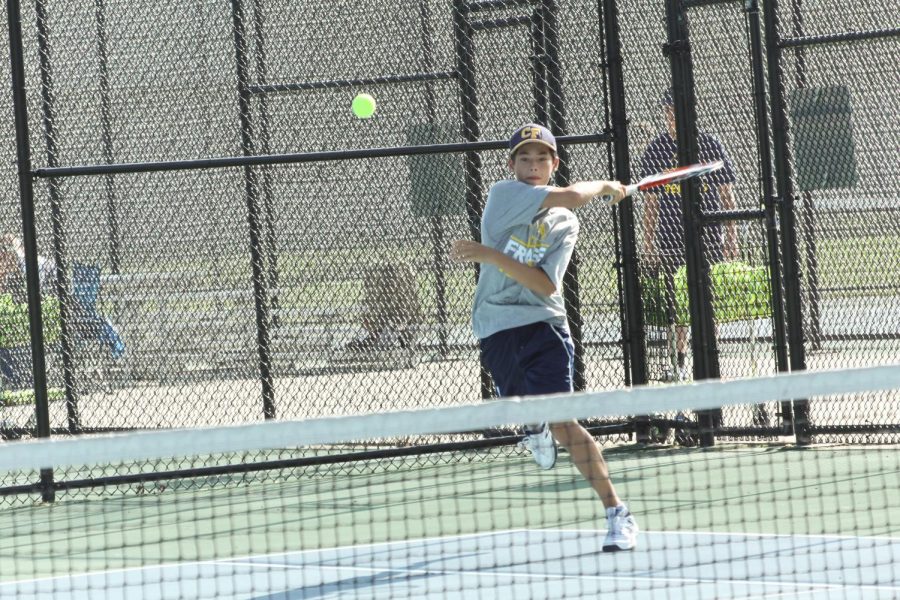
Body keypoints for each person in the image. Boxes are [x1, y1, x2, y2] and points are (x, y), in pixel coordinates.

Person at [450, 123, 638, 552]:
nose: (533, 166)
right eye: (524, 158)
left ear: (554, 164)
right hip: (496, 326)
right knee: (525, 408)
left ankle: (617, 514)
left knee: (563, 422)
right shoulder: (504, 196)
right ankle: (530, 422)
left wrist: (489, 256)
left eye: (541, 159)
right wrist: (608, 184)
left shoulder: (564, 223)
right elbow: (573, 193)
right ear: (512, 165)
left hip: (543, 327)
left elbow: (545, 286)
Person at [640, 89, 738, 381]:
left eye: (677, 113)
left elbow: (726, 194)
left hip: (707, 233)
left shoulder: (708, 144)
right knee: (678, 301)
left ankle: (710, 360)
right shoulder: (657, 150)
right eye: (667, 113)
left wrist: (732, 237)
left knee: (708, 299)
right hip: (671, 236)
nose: (672, 119)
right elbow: (651, 203)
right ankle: (679, 361)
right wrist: (648, 244)